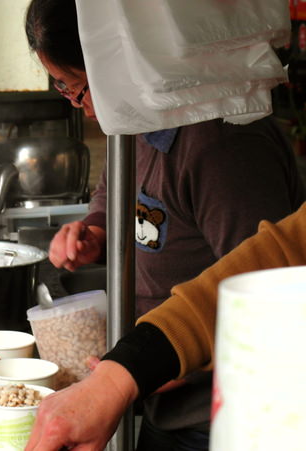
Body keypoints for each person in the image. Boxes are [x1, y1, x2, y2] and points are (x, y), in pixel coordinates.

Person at [25, 0, 306, 449]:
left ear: (120, 62)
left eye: (81, 88)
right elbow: (113, 193)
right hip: (158, 386)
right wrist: (94, 232)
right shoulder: (137, 120)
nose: (85, 108)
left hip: (215, 411)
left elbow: (265, 297)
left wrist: (149, 366)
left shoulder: (223, 149)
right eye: (63, 88)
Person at [25, 201, 306, 451]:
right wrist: (121, 375)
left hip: (209, 414)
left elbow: (271, 278)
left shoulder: (220, 153)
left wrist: (122, 376)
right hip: (159, 397)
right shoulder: (139, 142)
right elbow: (282, 250)